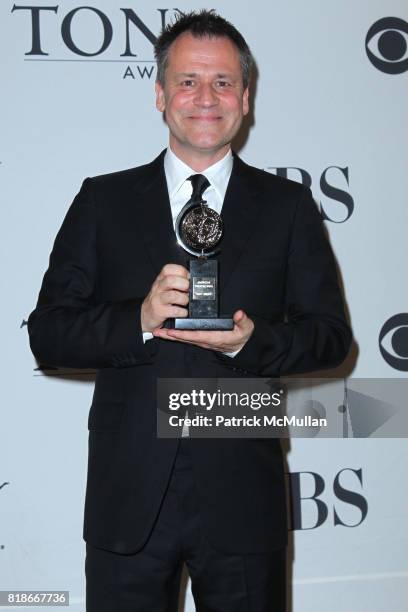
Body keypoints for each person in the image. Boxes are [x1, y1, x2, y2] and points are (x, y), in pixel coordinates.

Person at [27, 9, 352, 612]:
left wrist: (250, 345)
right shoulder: (104, 201)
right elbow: (48, 334)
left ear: (246, 98)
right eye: (187, 80)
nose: (206, 97)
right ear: (159, 94)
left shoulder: (288, 207)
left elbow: (330, 339)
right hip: (129, 494)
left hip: (243, 492)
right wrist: (139, 319)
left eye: (224, 82)